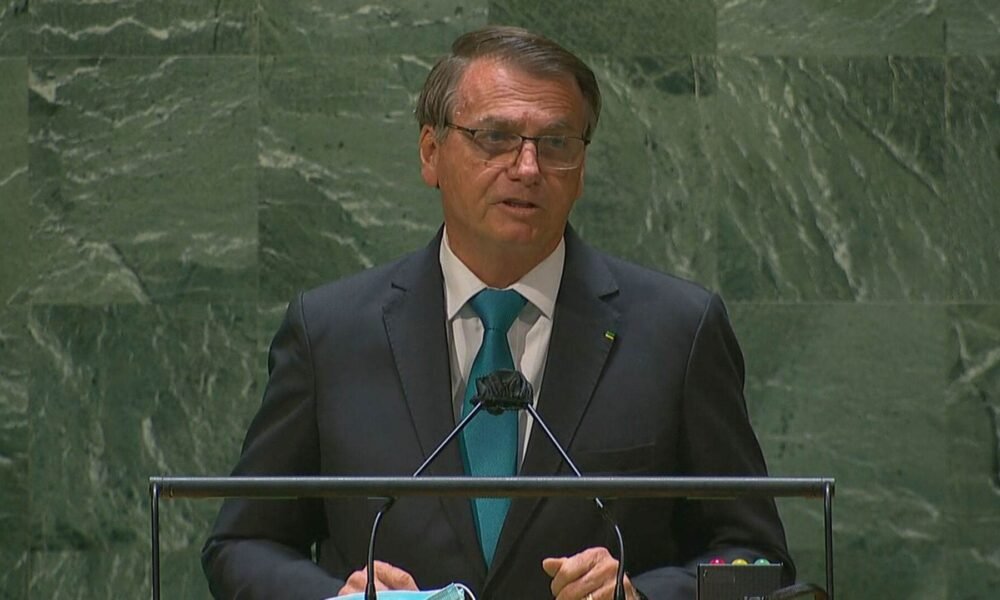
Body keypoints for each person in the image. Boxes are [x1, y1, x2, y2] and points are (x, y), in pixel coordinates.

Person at [203, 26, 793, 600]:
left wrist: (644, 595)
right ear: (431, 152)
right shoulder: (330, 333)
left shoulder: (678, 331)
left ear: (581, 168)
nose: (528, 168)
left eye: (556, 143)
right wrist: (337, 597)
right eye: (495, 137)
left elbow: (760, 565)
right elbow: (241, 544)